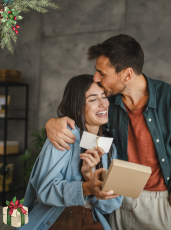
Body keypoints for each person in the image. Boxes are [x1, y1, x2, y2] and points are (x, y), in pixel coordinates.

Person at [46, 34, 171, 230]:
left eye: (102, 73)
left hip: (159, 203)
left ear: (127, 75)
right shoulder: (107, 102)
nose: (96, 78)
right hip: (115, 200)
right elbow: (84, 124)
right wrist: (51, 122)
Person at [18, 74, 122, 230]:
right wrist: (87, 188)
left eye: (104, 96)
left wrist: (89, 176)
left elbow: (111, 205)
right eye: (93, 99)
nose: (103, 104)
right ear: (78, 107)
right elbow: (45, 190)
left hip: (91, 219)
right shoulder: (64, 134)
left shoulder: (109, 146)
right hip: (57, 218)